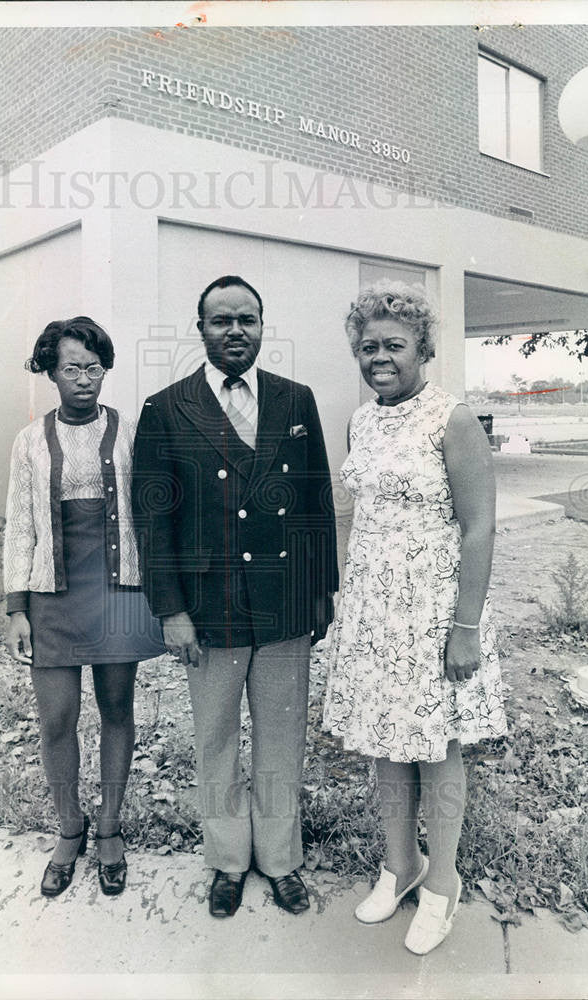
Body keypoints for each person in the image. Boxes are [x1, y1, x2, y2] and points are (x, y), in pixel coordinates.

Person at [132, 275, 338, 918]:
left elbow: (317, 506)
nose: (235, 331)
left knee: (281, 739)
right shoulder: (164, 409)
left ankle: (279, 860)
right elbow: (153, 522)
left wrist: (321, 593)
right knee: (216, 738)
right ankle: (226, 860)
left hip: (283, 608)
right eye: (221, 320)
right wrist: (171, 610)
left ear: (261, 326)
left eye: (246, 319)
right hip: (208, 611)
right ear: (201, 330)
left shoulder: (296, 400)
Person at [323, 281, 508, 954]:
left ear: (421, 349)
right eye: (367, 346)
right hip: (375, 610)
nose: (379, 357)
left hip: (434, 614)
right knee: (385, 744)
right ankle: (400, 866)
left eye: (393, 345)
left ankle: (443, 884)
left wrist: (464, 628)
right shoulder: (360, 420)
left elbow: (479, 527)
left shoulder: (450, 419)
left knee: (439, 749)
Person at [4, 316, 165, 899]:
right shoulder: (29, 441)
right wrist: (17, 606)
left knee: (117, 707)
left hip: (118, 590)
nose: (84, 380)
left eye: (93, 369)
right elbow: (21, 526)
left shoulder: (128, 431)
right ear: (51, 372)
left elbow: (150, 510)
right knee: (56, 718)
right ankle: (69, 828)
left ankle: (111, 829)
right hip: (53, 594)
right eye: (71, 368)